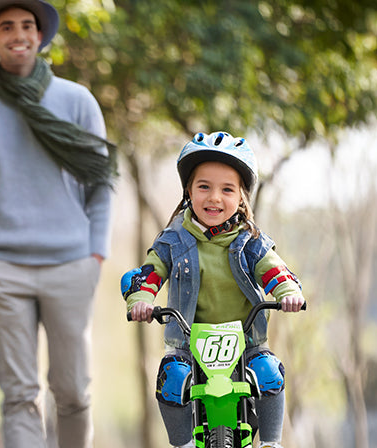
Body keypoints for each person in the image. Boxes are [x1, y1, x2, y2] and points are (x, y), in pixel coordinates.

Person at [0, 0, 115, 446]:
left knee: (74, 391)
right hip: (2, 268)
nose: (18, 33)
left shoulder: (77, 101)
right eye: (7, 27)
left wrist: (97, 253)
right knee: (19, 395)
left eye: (27, 25)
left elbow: (101, 184)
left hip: (72, 264)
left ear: (40, 37)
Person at [123, 132, 306, 448]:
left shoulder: (249, 243)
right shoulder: (173, 242)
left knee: (268, 371)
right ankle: (183, 443)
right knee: (172, 377)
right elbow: (149, 274)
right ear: (188, 192)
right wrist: (141, 298)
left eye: (227, 190)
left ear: (241, 198)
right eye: (204, 186)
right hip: (189, 340)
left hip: (245, 341)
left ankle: (272, 443)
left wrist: (287, 292)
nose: (214, 198)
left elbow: (275, 269)